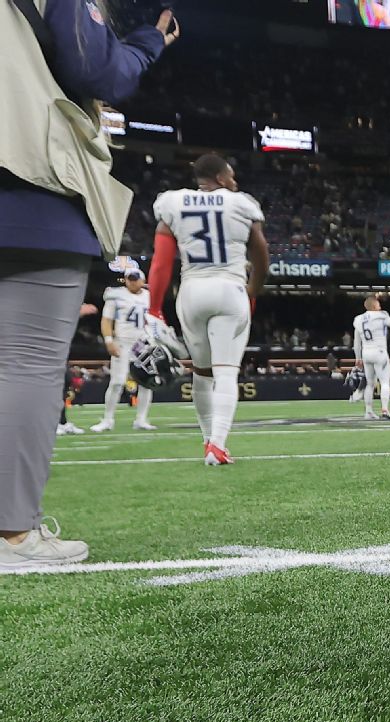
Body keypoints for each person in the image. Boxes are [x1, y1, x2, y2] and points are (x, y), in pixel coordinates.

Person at [1, 0, 176, 569]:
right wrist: (150, 41)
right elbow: (99, 71)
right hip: (27, 188)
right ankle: (12, 533)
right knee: (26, 362)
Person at [148, 154, 269, 466]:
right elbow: (261, 254)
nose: (234, 182)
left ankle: (207, 441)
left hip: (192, 290)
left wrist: (154, 308)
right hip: (229, 288)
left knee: (202, 373)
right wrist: (252, 292)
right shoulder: (241, 203)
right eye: (230, 176)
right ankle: (218, 444)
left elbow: (161, 262)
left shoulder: (172, 202)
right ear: (218, 177)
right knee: (227, 371)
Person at [91, 265, 156, 432]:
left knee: (146, 383)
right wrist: (108, 340)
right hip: (123, 342)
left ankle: (141, 419)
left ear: (143, 280)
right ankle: (108, 419)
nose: (133, 283)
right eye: (130, 279)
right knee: (117, 382)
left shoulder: (149, 296)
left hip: (143, 344)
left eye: (135, 279)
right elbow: (106, 320)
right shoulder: (116, 296)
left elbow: (155, 320)